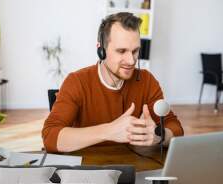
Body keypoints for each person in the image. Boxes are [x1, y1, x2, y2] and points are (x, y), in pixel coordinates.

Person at [42, 12, 184, 153]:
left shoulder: (146, 80)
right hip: (86, 168)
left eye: (135, 51)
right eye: (121, 51)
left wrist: (158, 135)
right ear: (101, 50)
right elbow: (50, 136)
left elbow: (175, 127)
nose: (131, 60)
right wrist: (109, 131)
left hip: (128, 165)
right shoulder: (77, 82)